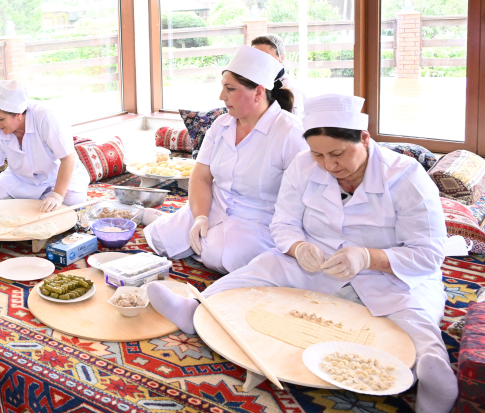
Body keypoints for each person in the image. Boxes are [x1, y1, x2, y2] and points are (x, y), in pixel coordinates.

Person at [146, 94, 456, 413]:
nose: (329, 165)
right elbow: (283, 223)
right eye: (318, 154)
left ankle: (433, 376)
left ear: (364, 139)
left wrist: (368, 258)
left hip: (389, 273)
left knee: (414, 318)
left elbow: (428, 254)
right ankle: (196, 309)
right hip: (319, 262)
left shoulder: (406, 177)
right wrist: (298, 247)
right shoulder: (304, 166)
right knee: (262, 268)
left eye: (337, 153)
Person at [142, 45, 308, 273]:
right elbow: (201, 176)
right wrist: (200, 216)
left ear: (259, 93)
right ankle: (164, 221)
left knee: (217, 255)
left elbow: (303, 197)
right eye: (223, 87)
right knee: (160, 239)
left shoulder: (290, 132)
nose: (222, 96)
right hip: (214, 204)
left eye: (230, 89)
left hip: (258, 221)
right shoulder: (221, 125)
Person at [0, 80, 89, 215]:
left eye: (0, 119)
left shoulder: (46, 117)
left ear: (18, 115)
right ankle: (36, 201)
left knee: (72, 202)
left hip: (57, 176)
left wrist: (57, 196)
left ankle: (45, 199)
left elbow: (68, 159)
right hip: (22, 179)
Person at [251, 33, 308, 118]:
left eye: (266, 56)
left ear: (282, 58)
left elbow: (297, 120)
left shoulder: (292, 89)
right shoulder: (247, 84)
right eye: (255, 57)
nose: (259, 61)